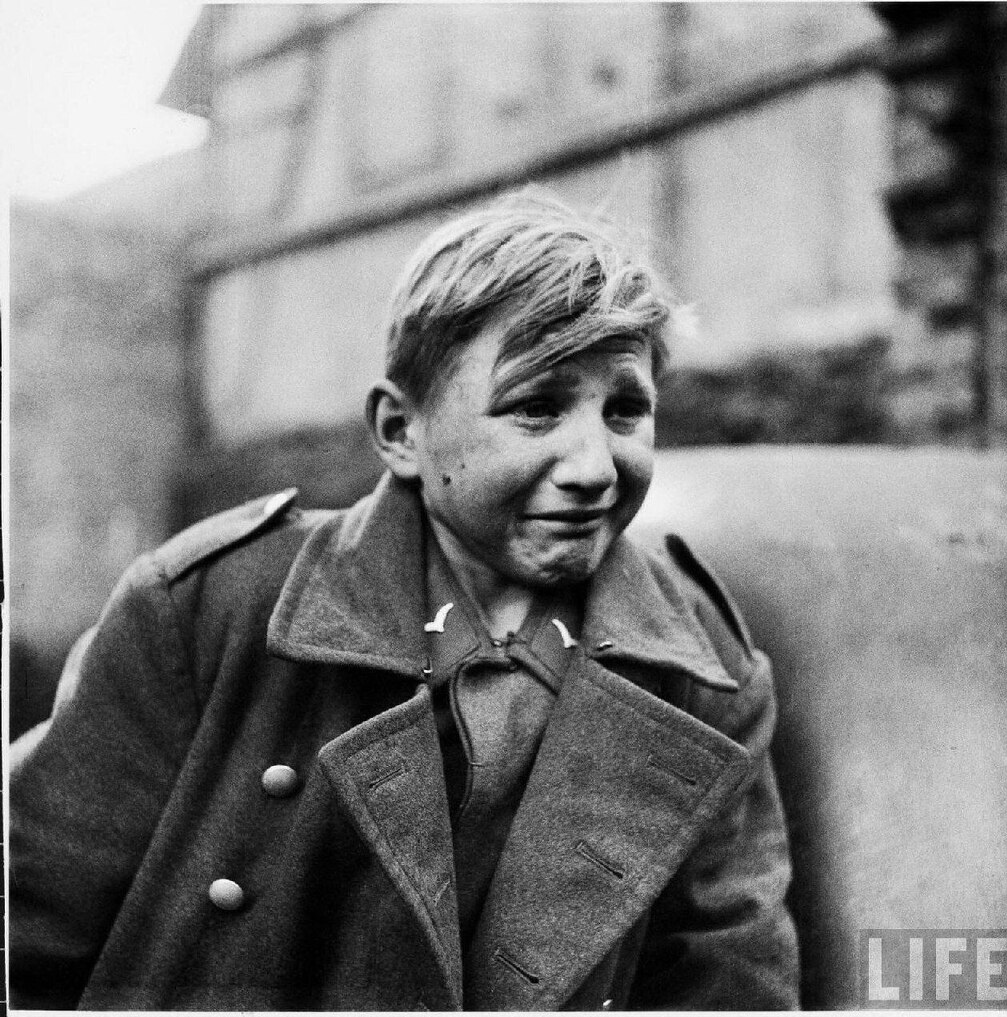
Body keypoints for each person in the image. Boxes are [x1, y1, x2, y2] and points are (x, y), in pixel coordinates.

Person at [9, 192, 799, 1010]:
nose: (595, 465)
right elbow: (25, 929)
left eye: (626, 410)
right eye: (537, 407)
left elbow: (728, 985)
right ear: (400, 431)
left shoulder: (702, 670)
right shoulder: (211, 610)